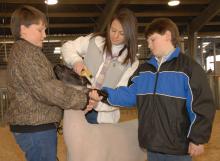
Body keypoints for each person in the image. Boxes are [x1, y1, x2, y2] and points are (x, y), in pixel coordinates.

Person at [89, 18, 216, 161]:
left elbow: (202, 105)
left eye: (152, 40)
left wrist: (197, 138)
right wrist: (104, 94)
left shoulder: (189, 69)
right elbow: (130, 94)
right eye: (147, 41)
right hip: (151, 145)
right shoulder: (144, 71)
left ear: (167, 36)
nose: (148, 45)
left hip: (178, 148)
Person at [6, 5, 91, 161]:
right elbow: (48, 90)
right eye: (40, 30)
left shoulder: (27, 52)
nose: (44, 35)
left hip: (35, 127)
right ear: (23, 29)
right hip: (35, 128)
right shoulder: (26, 54)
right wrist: (83, 99)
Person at [61, 8, 139, 124]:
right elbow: (67, 46)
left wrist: (98, 103)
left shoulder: (132, 62)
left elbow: (121, 94)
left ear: (129, 34)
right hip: (78, 106)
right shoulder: (94, 40)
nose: (116, 36)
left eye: (122, 33)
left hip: (103, 117)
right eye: (113, 30)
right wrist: (76, 61)